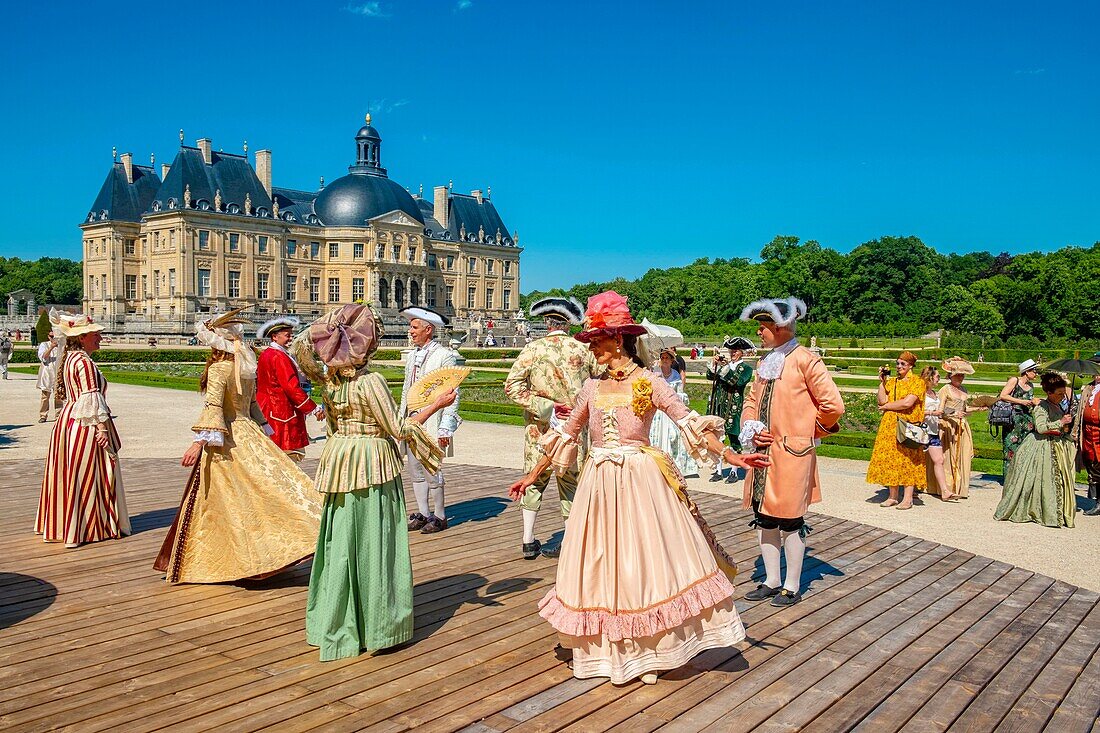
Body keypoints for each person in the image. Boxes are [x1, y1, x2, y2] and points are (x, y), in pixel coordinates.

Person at [508, 291, 769, 685]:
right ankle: (611, 650)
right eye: (591, 340)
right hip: (598, 482)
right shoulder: (592, 388)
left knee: (642, 563)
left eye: (596, 340)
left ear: (618, 341)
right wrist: (533, 474)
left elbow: (687, 422)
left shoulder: (648, 382)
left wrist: (730, 456)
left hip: (639, 481)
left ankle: (650, 651)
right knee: (601, 562)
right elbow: (566, 433)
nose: (591, 347)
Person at [294, 305, 456, 661]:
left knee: (340, 542)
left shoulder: (331, 380)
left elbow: (333, 428)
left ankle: (334, 620)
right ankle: (379, 624)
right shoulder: (371, 381)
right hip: (371, 461)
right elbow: (399, 429)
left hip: (340, 459)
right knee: (375, 541)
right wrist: (437, 404)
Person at [153, 311, 322, 583]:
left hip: (228, 437)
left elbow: (214, 407)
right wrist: (265, 431)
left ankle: (238, 558)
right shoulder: (243, 370)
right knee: (260, 489)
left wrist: (198, 443)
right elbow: (253, 405)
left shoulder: (221, 369)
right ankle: (267, 552)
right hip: (249, 433)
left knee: (229, 498)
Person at [738, 297, 845, 606]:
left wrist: (806, 432)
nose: (759, 332)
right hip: (763, 453)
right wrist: (751, 425)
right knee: (765, 517)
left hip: (791, 453)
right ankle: (771, 580)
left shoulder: (806, 360)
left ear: (780, 328)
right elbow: (751, 401)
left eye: (763, 327)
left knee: (790, 520)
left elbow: (833, 406)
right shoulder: (764, 362)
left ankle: (793, 585)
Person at [503, 296, 600, 559]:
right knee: (571, 483)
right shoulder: (584, 350)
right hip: (575, 428)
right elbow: (600, 385)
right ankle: (569, 541)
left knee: (533, 482)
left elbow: (511, 387)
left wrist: (545, 407)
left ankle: (527, 539)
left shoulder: (533, 349)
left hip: (539, 427)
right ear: (569, 323)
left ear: (547, 323)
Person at [35, 312, 130, 547]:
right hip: (85, 424)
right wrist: (102, 429)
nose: (99, 337)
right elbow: (91, 396)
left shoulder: (71, 358)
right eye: (95, 334)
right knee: (90, 473)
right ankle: (88, 526)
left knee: (70, 473)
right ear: (83, 336)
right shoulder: (84, 362)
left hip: (69, 421)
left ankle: (65, 524)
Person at [399, 306, 462, 534]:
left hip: (433, 419)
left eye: (414, 327)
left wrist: (447, 426)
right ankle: (423, 513)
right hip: (413, 419)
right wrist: (402, 417)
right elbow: (407, 390)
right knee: (414, 468)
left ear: (428, 329)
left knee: (432, 468)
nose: (410, 331)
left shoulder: (444, 355)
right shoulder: (412, 355)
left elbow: (453, 393)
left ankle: (440, 515)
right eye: (410, 327)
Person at [994, 372, 1076, 528]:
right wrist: (1060, 421)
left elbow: (1059, 426)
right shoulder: (1041, 407)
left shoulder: (1057, 405)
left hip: (1056, 444)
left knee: (1052, 480)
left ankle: (1053, 510)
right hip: (1040, 446)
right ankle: (1036, 510)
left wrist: (1065, 426)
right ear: (1049, 392)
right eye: (1059, 394)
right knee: (1037, 479)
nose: (1062, 396)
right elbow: (1040, 428)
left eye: (1063, 393)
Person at [256, 316, 323, 461]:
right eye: (287, 335)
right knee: (287, 454)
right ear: (275, 337)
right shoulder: (279, 356)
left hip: (268, 408)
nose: (291, 338)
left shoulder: (267, 354)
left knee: (270, 454)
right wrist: (313, 408)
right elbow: (291, 387)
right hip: (281, 411)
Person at [866, 351, 926, 509]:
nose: (899, 366)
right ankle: (893, 496)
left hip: (907, 425)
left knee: (908, 460)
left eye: (903, 364)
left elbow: (907, 403)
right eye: (898, 363)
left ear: (911, 366)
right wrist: (881, 382)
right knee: (891, 460)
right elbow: (881, 399)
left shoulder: (917, 382)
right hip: (889, 426)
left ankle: (907, 498)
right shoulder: (891, 382)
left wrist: (886, 407)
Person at [705, 336, 755, 482]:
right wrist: (714, 364)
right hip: (719, 406)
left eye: (735, 351)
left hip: (733, 407)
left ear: (742, 353)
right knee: (718, 437)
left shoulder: (746, 369)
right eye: (731, 350)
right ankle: (719, 470)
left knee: (734, 437)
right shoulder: (723, 366)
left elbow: (737, 382)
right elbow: (710, 376)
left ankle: (734, 470)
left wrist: (725, 368)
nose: (732, 353)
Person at [934, 357, 981, 501]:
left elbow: (965, 409)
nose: (960, 378)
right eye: (958, 375)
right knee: (949, 457)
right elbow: (940, 411)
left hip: (962, 426)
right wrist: (954, 414)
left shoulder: (963, 389)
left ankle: (960, 487)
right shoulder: (945, 389)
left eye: (962, 375)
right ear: (951, 376)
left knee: (963, 456)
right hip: (948, 426)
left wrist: (980, 408)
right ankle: (946, 487)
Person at [650, 347, 699, 477]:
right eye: (663, 358)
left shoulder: (675, 375)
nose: (664, 360)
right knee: (655, 435)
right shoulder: (655, 374)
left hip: (671, 411)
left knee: (674, 436)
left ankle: (673, 464)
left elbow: (679, 393)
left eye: (667, 358)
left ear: (672, 361)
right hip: (658, 412)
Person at [999, 359, 1043, 474]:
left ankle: (1020, 476)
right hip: (1013, 419)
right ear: (1027, 371)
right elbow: (1003, 395)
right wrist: (1021, 401)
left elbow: (1028, 400)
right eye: (1034, 371)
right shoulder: (1015, 380)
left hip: (1026, 419)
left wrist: (1033, 402)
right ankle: (1009, 476)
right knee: (1011, 446)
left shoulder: (1031, 385)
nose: (1036, 373)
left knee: (1025, 448)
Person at [1071, 354, 1100, 515]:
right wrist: (1076, 431)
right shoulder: (1088, 388)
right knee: (1090, 463)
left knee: (1099, 465)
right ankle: (1097, 500)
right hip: (1087, 433)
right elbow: (1080, 412)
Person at [920, 366, 951, 500]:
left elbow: (939, 412)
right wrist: (933, 412)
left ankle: (945, 491)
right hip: (920, 430)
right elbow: (914, 412)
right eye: (937, 376)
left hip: (933, 430)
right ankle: (914, 487)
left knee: (939, 460)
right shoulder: (920, 393)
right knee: (917, 460)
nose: (939, 379)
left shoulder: (934, 393)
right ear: (930, 377)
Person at [36, 330, 62, 422]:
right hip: (47, 372)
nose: (53, 338)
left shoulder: (61, 345)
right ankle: (43, 415)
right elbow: (43, 357)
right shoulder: (44, 345)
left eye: (54, 336)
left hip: (58, 372)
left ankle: (58, 415)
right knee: (45, 396)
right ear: (48, 336)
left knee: (58, 396)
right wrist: (51, 348)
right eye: (51, 336)